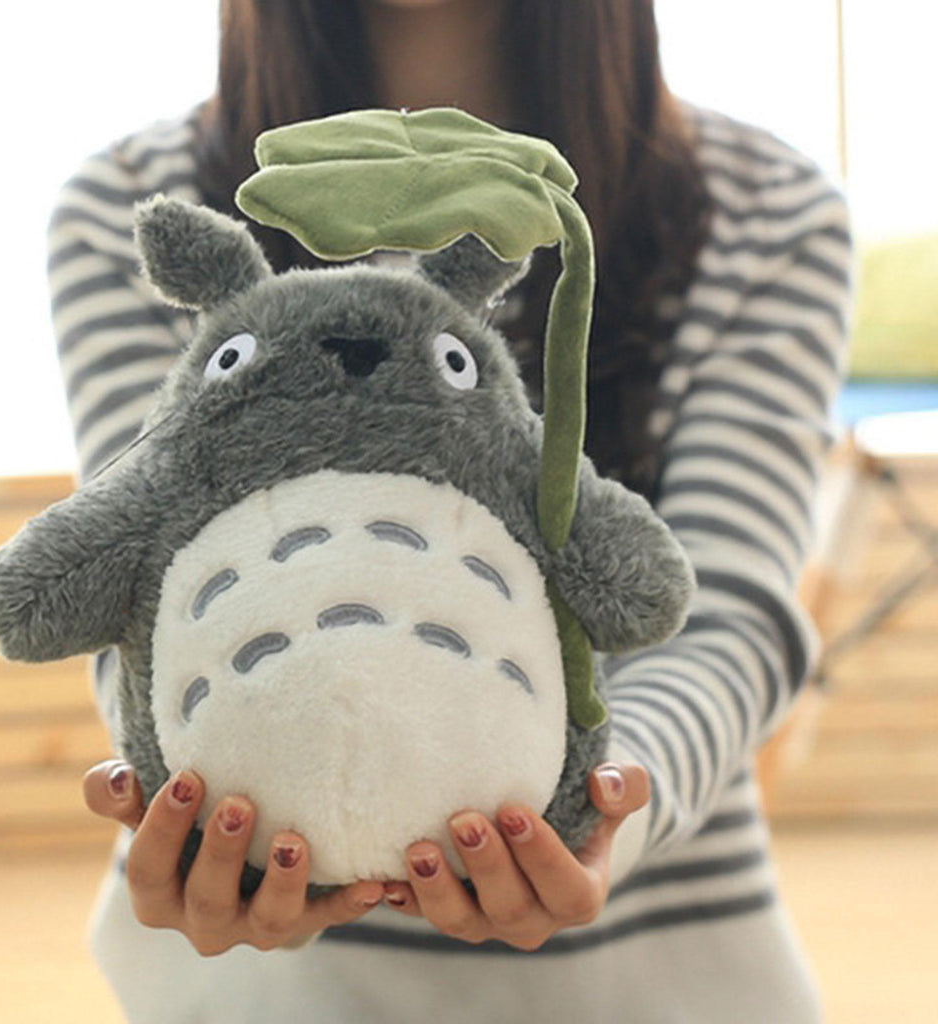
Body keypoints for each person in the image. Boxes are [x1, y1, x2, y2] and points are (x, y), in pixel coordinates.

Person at [49, 1, 851, 1020]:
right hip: (269, 992)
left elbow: (723, 607)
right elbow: (136, 583)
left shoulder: (769, 208)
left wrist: (602, 804)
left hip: (662, 980)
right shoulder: (130, 204)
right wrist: (196, 803)